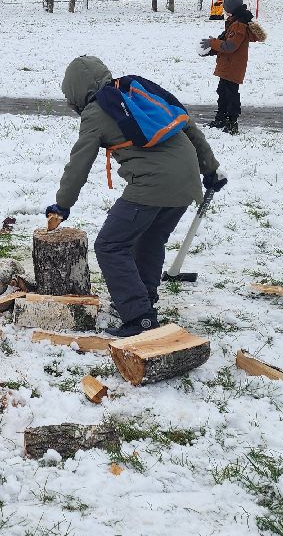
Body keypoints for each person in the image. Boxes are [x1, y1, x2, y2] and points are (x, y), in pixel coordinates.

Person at [45, 56, 226, 337]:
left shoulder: (96, 111)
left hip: (153, 184)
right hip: (187, 180)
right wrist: (210, 168)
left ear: (77, 91)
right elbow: (187, 124)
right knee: (150, 239)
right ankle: (144, 298)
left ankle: (139, 317)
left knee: (110, 245)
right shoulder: (136, 91)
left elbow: (79, 163)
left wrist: (62, 204)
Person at [202, 0, 258, 133]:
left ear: (232, 8)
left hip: (233, 67)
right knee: (222, 92)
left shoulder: (238, 25)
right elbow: (225, 42)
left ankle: (232, 122)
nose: (224, 11)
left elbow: (230, 46)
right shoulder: (234, 22)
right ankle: (221, 118)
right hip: (228, 65)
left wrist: (212, 43)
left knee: (230, 95)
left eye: (226, 8)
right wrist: (211, 49)